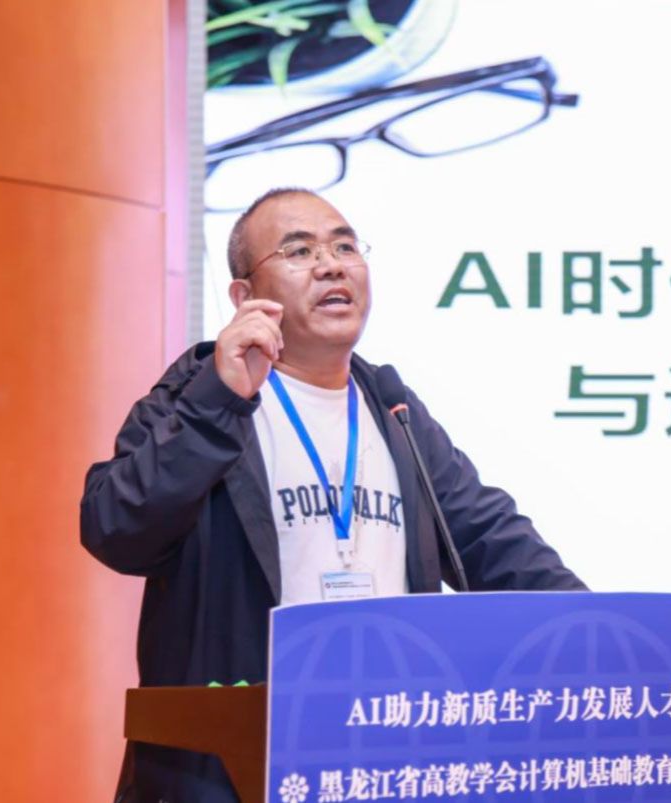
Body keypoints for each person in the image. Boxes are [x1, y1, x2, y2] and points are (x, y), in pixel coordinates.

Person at [80, 188, 585, 801]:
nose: (330, 265)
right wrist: (219, 401)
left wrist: (600, 629)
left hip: (380, 759)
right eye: (299, 251)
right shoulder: (202, 394)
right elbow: (116, 528)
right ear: (243, 296)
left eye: (345, 247)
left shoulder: (391, 408)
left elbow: (492, 542)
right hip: (234, 770)